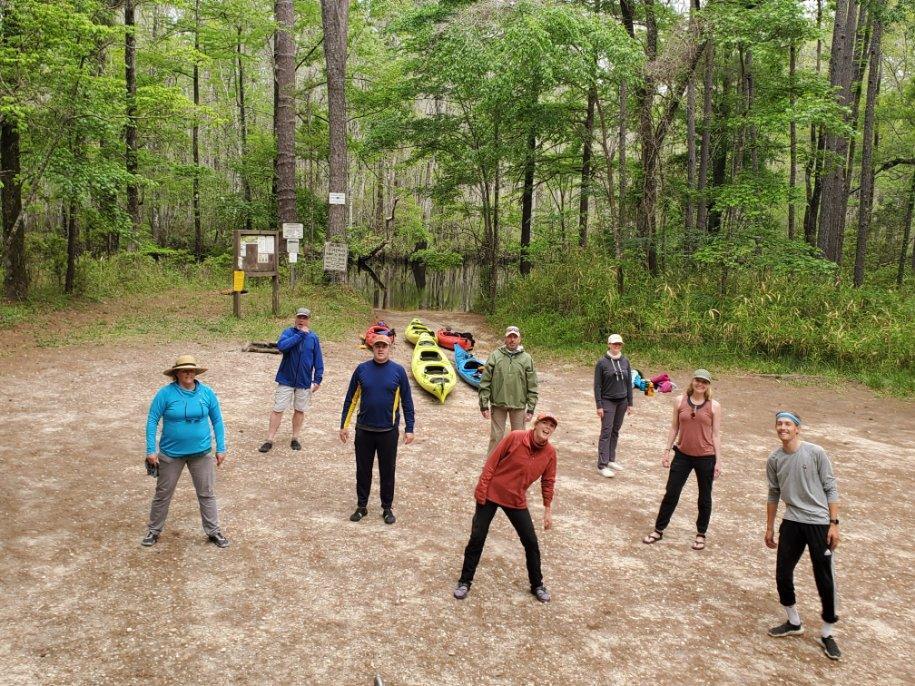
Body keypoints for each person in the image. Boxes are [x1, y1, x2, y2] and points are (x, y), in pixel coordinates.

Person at [453, 413, 558, 603]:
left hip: (516, 499)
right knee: (477, 537)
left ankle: (537, 585)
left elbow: (548, 482)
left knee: (531, 542)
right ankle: (464, 582)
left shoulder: (550, 453)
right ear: (535, 425)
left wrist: (547, 509)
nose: (548, 428)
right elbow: (492, 463)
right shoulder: (515, 437)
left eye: (552, 426)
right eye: (545, 423)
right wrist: (481, 490)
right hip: (492, 492)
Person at [765, 411, 842, 661]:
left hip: (819, 523)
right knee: (782, 572)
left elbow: (830, 486)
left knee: (824, 576)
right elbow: (773, 493)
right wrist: (769, 527)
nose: (783, 427)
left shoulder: (815, 452)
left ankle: (828, 633)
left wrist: (834, 523)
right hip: (791, 522)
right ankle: (794, 621)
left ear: (797, 428)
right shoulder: (775, 459)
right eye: (779, 424)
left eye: (788, 424)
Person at [143, 355, 228, 548]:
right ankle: (154, 530)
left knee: (206, 493)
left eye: (191, 370)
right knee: (163, 493)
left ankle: (213, 531)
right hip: (171, 454)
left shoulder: (207, 393)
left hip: (201, 452)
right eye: (184, 370)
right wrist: (151, 449)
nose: (188, 373)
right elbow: (152, 420)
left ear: (196, 372)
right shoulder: (165, 394)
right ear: (177, 374)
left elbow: (217, 420)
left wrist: (221, 447)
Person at [339, 335, 415, 525]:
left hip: (388, 432)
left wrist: (410, 428)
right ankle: (361, 506)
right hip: (364, 430)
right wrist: (344, 425)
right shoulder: (361, 370)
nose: (381, 349)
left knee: (387, 471)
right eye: (377, 346)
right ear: (372, 348)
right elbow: (351, 399)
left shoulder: (398, 372)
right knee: (362, 470)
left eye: (384, 346)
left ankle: (387, 508)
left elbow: (407, 401)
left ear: (390, 348)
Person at [643, 368, 722, 550]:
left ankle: (701, 533)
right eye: (697, 380)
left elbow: (716, 435)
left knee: (704, 497)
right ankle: (658, 529)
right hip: (682, 455)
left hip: (706, 457)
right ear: (692, 381)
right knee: (671, 493)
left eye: (704, 382)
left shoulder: (714, 406)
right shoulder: (679, 401)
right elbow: (674, 428)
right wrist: (666, 451)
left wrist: (719, 461)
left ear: (708, 385)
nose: (700, 384)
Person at [259, 307, 324, 453]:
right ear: (295, 318)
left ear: (308, 320)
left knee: (300, 410)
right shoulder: (288, 333)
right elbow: (282, 347)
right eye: (299, 317)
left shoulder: (313, 337)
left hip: (304, 381)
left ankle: (295, 438)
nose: (302, 320)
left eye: (305, 318)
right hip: (286, 379)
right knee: (278, 409)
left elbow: (318, 360)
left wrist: (317, 379)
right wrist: (300, 335)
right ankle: (269, 439)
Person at [479, 325, 538, 455]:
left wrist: (531, 408)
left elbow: (532, 385)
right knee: (496, 438)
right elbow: (485, 381)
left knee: (520, 439)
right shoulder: (495, 356)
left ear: (519, 339)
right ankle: (491, 467)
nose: (512, 340)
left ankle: (516, 467)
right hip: (498, 404)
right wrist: (484, 405)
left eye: (515, 337)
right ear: (505, 339)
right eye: (509, 337)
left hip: (519, 405)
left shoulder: (527, 359)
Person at [594, 333, 633, 478]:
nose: (617, 346)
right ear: (609, 345)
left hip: (622, 401)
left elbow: (629, 383)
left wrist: (630, 403)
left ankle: (611, 459)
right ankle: (602, 465)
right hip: (607, 401)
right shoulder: (602, 363)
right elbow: (597, 386)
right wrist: (599, 405)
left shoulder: (625, 361)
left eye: (619, 344)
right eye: (614, 344)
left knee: (615, 430)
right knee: (606, 431)